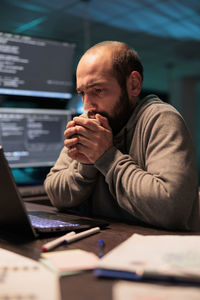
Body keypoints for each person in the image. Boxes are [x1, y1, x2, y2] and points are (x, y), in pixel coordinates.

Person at [44, 41, 200, 231]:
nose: (87, 107)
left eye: (98, 90)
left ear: (133, 85)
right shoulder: (91, 122)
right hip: (105, 245)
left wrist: (106, 157)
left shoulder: (161, 118)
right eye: (82, 93)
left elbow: (171, 209)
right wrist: (85, 166)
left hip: (161, 254)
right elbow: (55, 194)